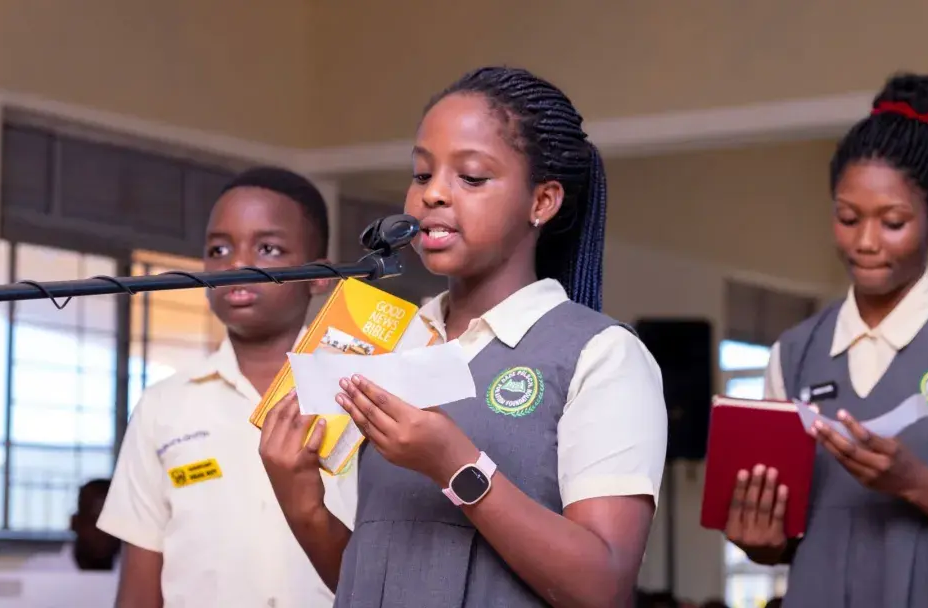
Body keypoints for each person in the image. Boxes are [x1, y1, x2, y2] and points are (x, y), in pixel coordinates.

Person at [258, 66, 668, 607]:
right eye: (422, 174)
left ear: (542, 202)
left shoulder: (603, 355)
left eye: (471, 177)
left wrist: (457, 466)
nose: (433, 196)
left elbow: (604, 588)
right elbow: (375, 579)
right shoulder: (388, 344)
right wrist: (303, 506)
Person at [724, 73, 928, 607]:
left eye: (892, 222)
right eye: (848, 218)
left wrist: (916, 483)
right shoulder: (793, 354)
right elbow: (786, 540)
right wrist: (760, 543)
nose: (865, 242)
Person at [97, 167, 356, 608]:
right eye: (219, 249)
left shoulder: (360, 391)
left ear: (321, 275)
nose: (236, 265)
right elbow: (140, 583)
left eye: (268, 248)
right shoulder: (164, 406)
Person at [23, 478, 120, 571]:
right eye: (95, 522)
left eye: (112, 524)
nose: (104, 533)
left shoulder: (132, 573)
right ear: (75, 523)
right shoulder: (39, 570)